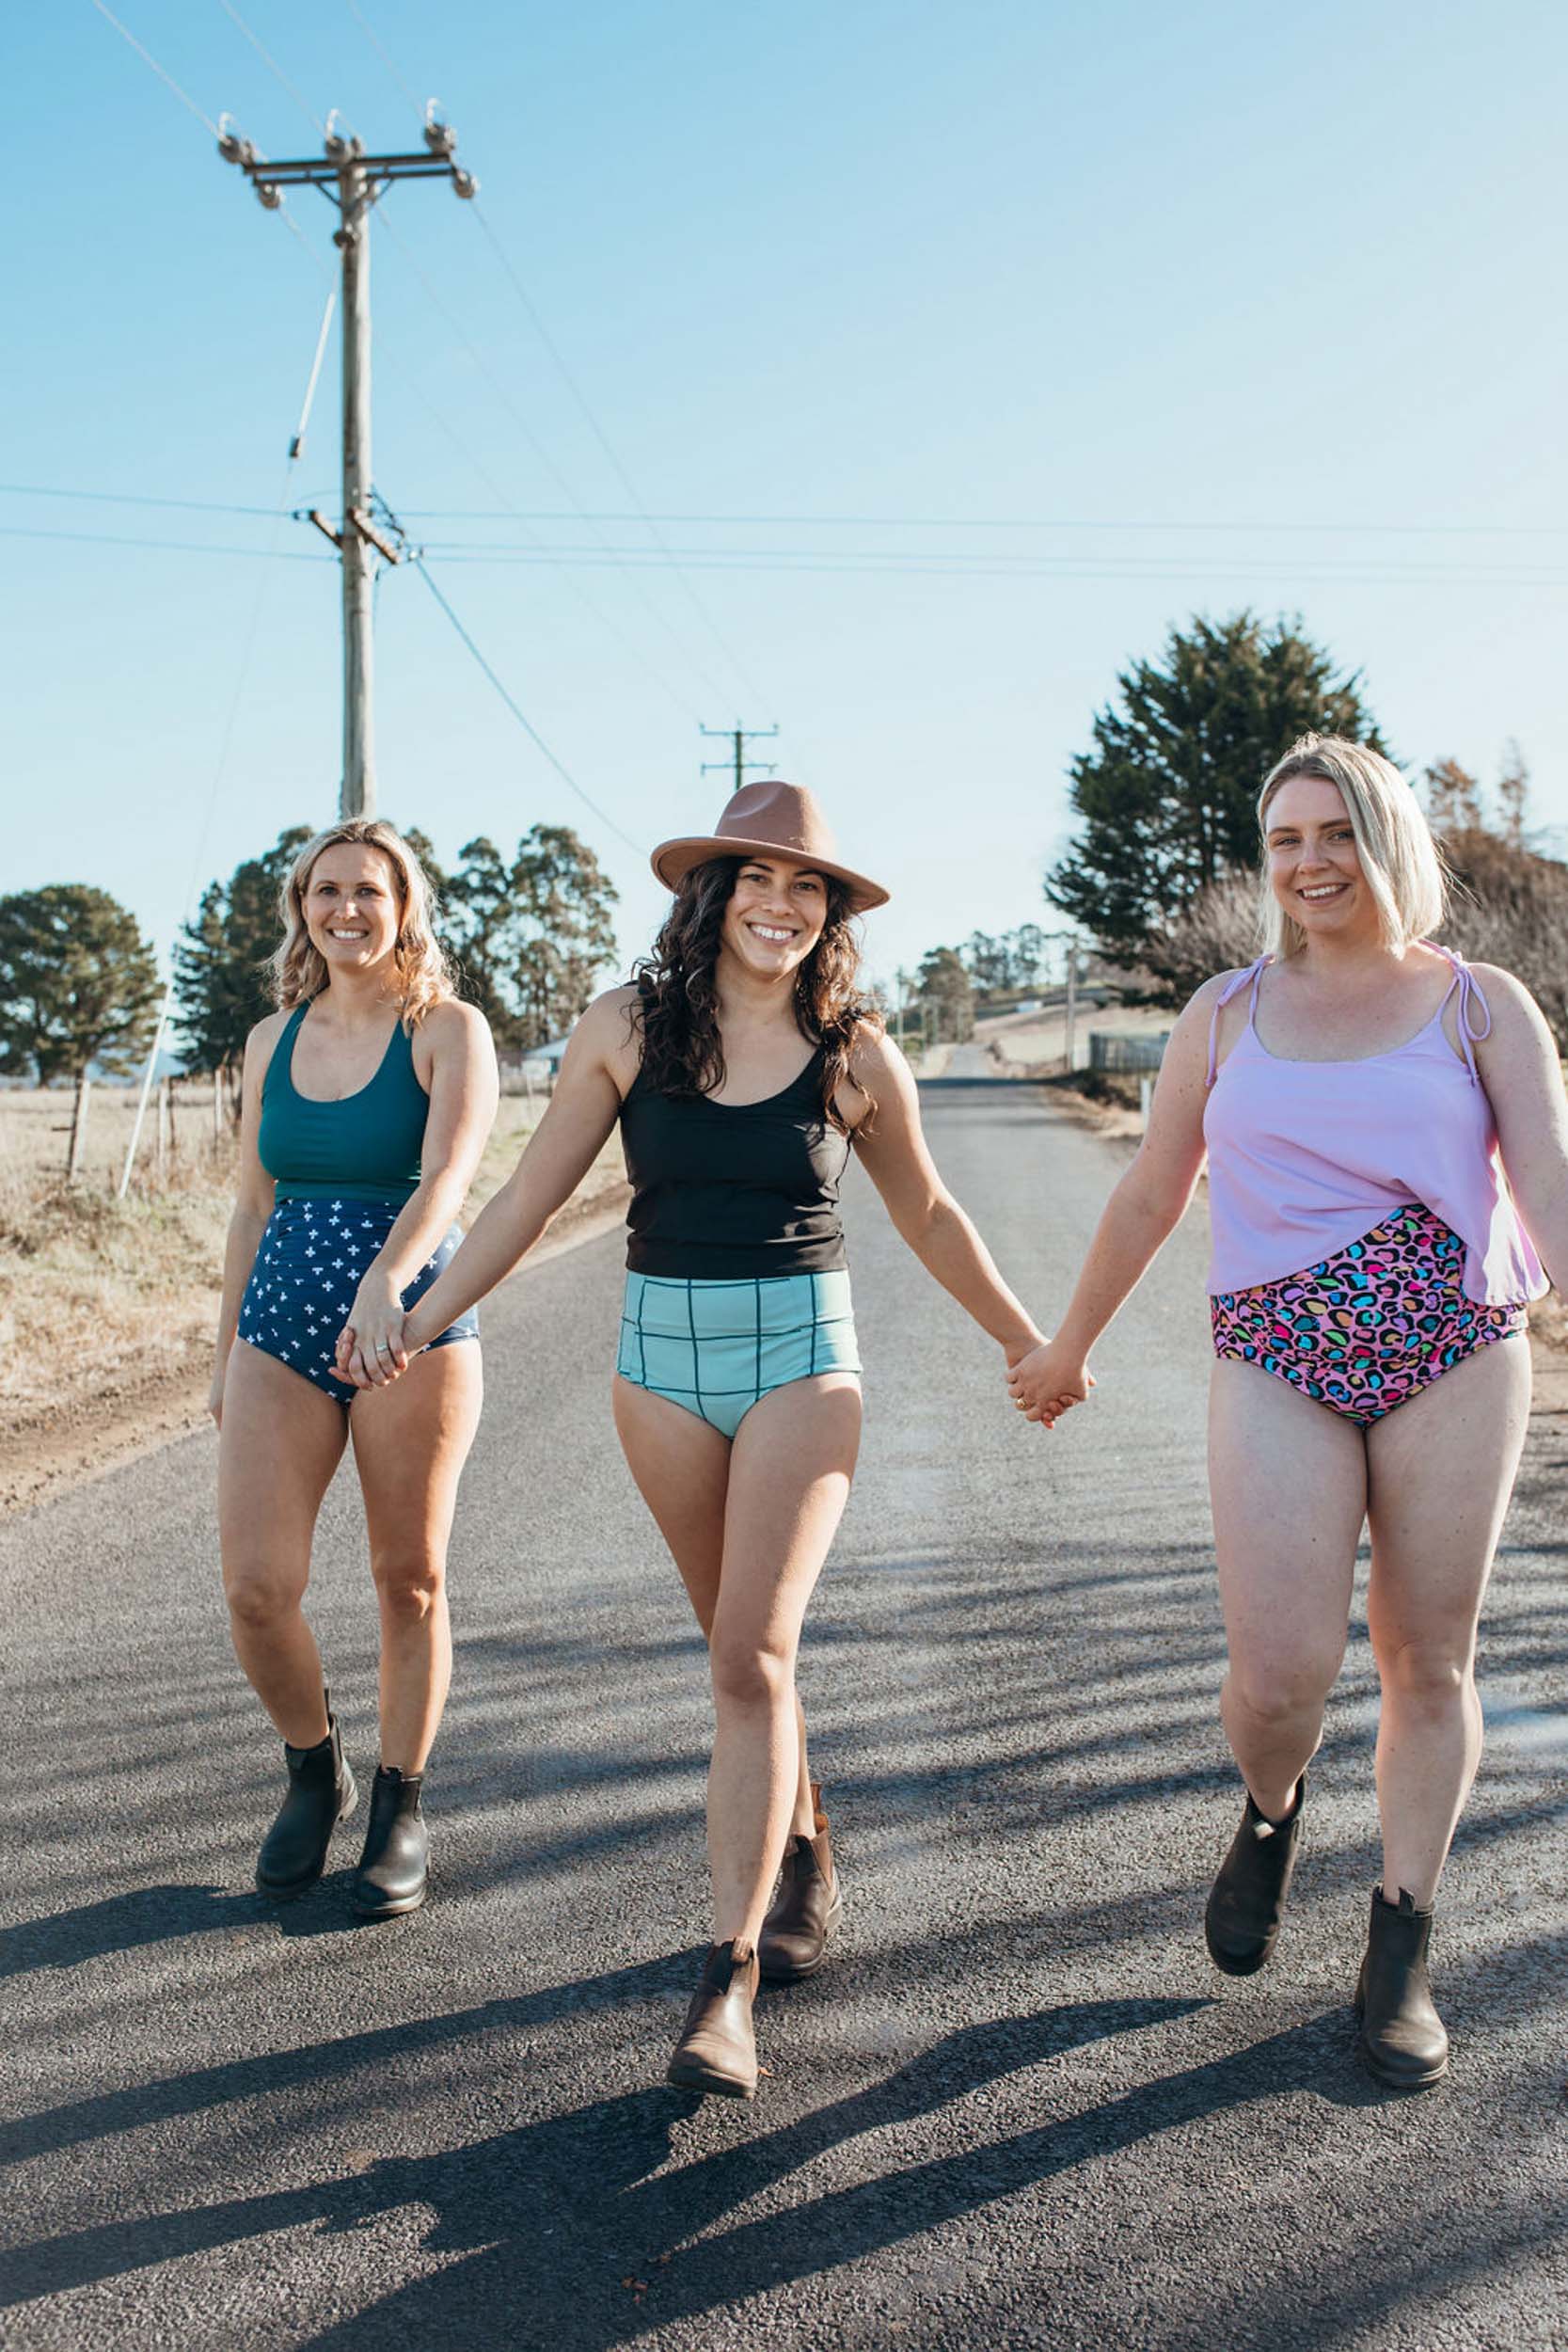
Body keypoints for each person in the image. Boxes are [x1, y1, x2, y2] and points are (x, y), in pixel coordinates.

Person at [349, 780, 1045, 2096]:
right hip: (656, 1368)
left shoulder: (851, 1051)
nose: (779, 905)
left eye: (806, 888)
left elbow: (934, 1216)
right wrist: (420, 1313)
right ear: (710, 895)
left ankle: (722, 1982)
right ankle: (801, 1835)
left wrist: (1026, 1341)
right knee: (738, 1653)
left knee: (750, 1652)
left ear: (828, 914)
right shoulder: (624, 1029)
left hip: (802, 1356)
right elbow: (522, 1204)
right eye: (755, 880)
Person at [1009, 736, 1564, 2089]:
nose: (1309, 864)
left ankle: (1400, 1935)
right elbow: (1151, 1189)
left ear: (1386, 844)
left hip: (1453, 1347)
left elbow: (1549, 1191)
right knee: (1276, 1677)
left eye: (1334, 834)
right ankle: (1269, 1809)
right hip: (1274, 1352)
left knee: (1424, 1660)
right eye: (1284, 841)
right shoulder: (1224, 1012)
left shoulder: (1478, 1006)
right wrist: (1064, 1343)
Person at [212, 818, 498, 1920]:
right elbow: (249, 1207)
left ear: (404, 905)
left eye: (368, 891)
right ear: (302, 907)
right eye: (326, 891)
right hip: (277, 1333)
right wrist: (220, 1356)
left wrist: (389, 1284)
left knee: (407, 1577)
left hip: (411, 1329)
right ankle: (311, 1765)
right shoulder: (269, 1037)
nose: (346, 909)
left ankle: (399, 1803)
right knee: (255, 1589)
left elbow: (449, 1173)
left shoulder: (445, 1029)